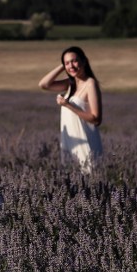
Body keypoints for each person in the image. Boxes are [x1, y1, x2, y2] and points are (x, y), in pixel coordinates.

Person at [38, 46, 103, 175]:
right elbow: (44, 84)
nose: (71, 66)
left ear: (84, 61)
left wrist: (68, 105)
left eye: (74, 61)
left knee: (91, 182)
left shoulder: (90, 84)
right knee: (72, 180)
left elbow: (96, 118)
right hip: (70, 142)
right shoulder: (70, 84)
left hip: (86, 141)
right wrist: (63, 66)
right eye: (67, 62)